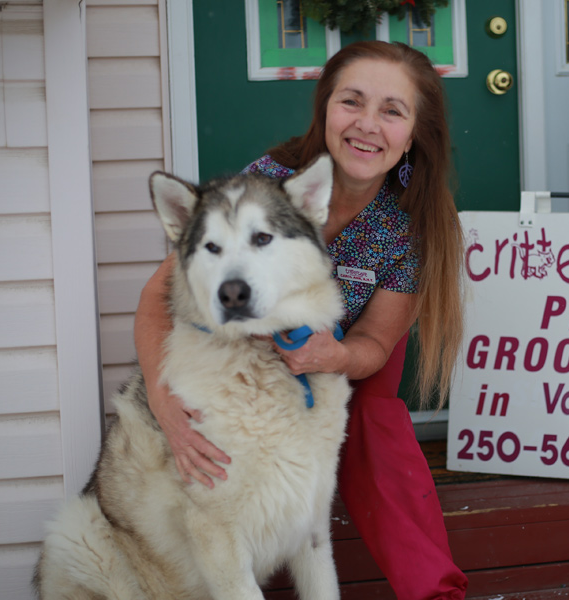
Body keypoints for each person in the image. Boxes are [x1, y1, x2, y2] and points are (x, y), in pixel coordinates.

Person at [134, 41, 467, 599]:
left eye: (392, 111)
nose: (366, 124)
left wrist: (336, 357)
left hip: (348, 353)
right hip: (254, 352)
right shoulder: (267, 184)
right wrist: (162, 402)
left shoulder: (412, 223)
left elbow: (375, 343)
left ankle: (435, 591)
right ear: (325, 109)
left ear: (414, 133)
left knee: (376, 423)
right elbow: (157, 298)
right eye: (351, 102)